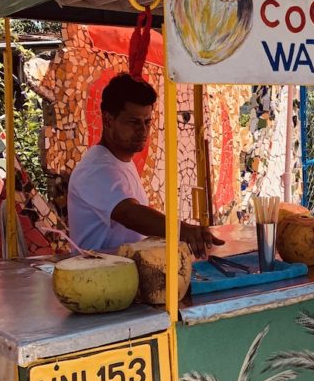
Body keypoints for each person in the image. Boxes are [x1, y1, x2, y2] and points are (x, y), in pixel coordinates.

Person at [68, 73, 223, 257]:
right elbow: (130, 214)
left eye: (147, 122)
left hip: (121, 272)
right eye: (133, 122)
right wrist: (183, 230)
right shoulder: (96, 169)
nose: (143, 130)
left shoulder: (122, 161)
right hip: (94, 277)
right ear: (109, 120)